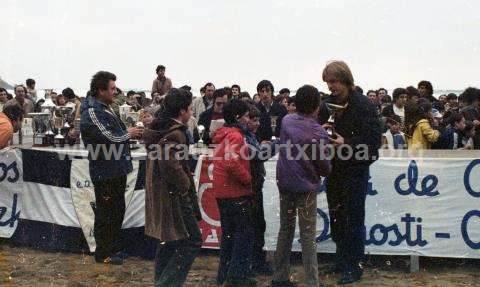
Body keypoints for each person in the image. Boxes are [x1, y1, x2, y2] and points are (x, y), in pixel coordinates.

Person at [319, 61, 381, 285]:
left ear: (345, 79)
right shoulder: (329, 104)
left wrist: (346, 143)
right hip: (334, 170)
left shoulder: (364, 105)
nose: (330, 87)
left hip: (355, 171)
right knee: (336, 217)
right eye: (327, 83)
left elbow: (373, 145)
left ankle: (355, 266)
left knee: (353, 218)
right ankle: (342, 259)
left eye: (334, 82)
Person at [80, 71, 143, 265]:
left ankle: (112, 249)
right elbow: (108, 136)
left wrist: (128, 134)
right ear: (101, 90)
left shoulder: (105, 107)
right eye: (112, 88)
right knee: (107, 213)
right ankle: (103, 253)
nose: (115, 92)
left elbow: (115, 135)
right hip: (105, 170)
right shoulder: (92, 111)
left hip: (115, 168)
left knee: (116, 211)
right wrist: (128, 133)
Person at [272, 85, 331, 287]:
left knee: (285, 230)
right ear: (316, 106)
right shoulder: (318, 132)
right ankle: (312, 282)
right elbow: (324, 168)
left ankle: (279, 276)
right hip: (305, 187)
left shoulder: (286, 121)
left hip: (285, 183)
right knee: (307, 235)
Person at [143, 88, 202, 287]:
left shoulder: (161, 128)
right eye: (190, 110)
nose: (192, 113)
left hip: (161, 194)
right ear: (182, 111)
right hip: (174, 196)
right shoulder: (176, 133)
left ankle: (161, 281)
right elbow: (169, 163)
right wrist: (185, 185)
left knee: (168, 242)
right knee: (192, 240)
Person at [212, 100, 256, 287]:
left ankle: (224, 275)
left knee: (229, 235)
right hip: (235, 191)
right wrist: (248, 179)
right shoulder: (236, 136)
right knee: (242, 237)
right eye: (246, 116)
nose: (248, 119)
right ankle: (236, 278)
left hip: (223, 191)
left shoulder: (224, 134)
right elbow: (231, 162)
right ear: (238, 118)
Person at [244, 105, 277, 276]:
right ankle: (255, 262)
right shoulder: (246, 138)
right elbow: (259, 155)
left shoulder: (251, 137)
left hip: (254, 185)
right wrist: (275, 145)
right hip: (251, 186)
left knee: (258, 225)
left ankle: (255, 262)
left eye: (258, 120)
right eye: (253, 120)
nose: (257, 123)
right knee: (255, 226)